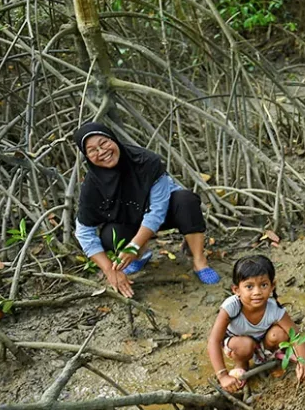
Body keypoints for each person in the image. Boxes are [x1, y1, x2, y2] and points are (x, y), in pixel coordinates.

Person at [73, 122, 220, 299]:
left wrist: (132, 246)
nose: (101, 151)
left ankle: (198, 259)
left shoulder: (146, 161)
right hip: (129, 221)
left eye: (104, 143)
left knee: (186, 200)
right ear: (87, 157)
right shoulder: (91, 185)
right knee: (109, 234)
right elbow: (84, 232)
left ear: (114, 140)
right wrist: (109, 271)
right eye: (92, 150)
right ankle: (142, 255)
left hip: (165, 212)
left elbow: (157, 210)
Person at [207, 255, 305, 393]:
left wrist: (303, 361)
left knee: (279, 334)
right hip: (238, 344)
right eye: (249, 286)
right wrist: (223, 376)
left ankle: (270, 356)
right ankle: (241, 364)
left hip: (263, 342)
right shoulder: (231, 307)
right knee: (244, 345)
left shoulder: (274, 308)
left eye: (263, 285)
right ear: (236, 290)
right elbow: (214, 341)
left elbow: (295, 335)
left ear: (272, 286)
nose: (257, 292)